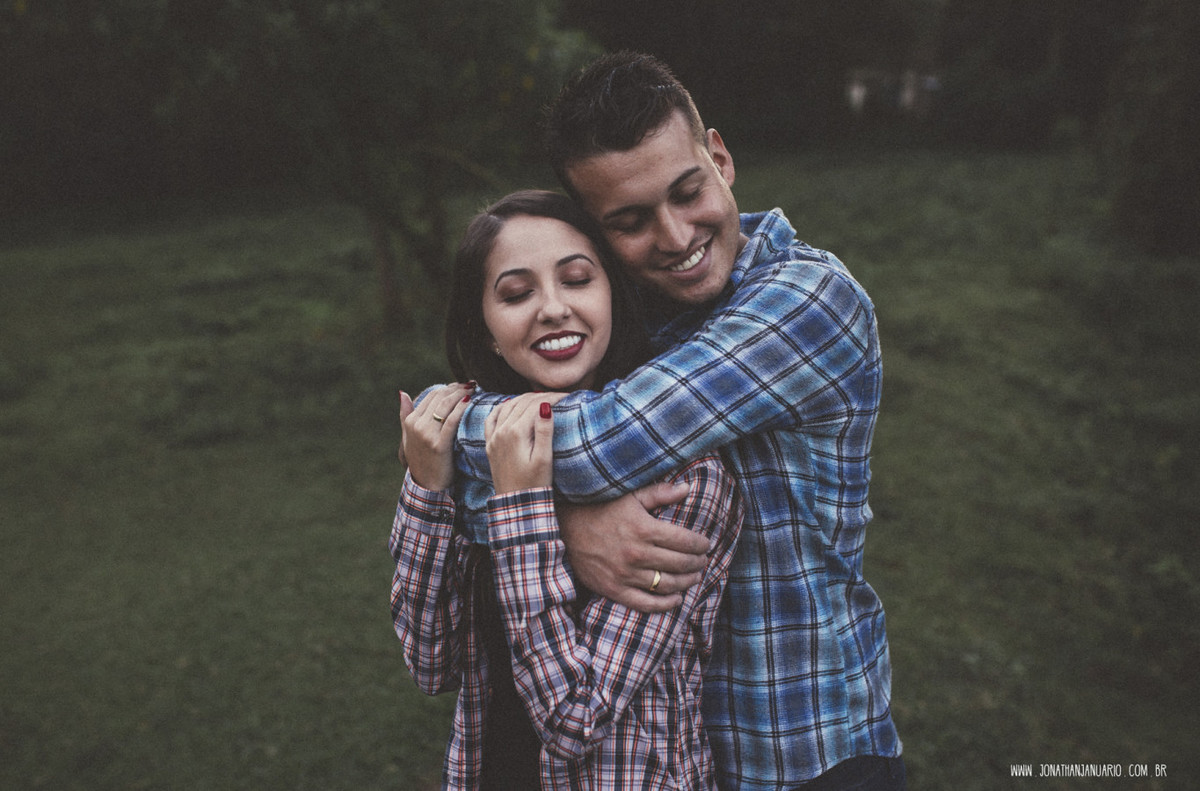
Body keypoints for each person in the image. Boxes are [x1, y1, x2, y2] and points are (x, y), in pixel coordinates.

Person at [449, 53, 905, 789]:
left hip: (801, 749)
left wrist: (455, 433)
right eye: (629, 222)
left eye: (687, 192)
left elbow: (599, 445)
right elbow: (469, 493)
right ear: (596, 235)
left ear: (719, 159)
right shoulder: (627, 323)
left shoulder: (809, 300)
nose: (673, 235)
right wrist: (560, 521)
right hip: (675, 757)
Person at [391, 190, 743, 789]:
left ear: (613, 295)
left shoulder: (684, 476)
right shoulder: (479, 452)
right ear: (487, 328)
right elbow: (429, 661)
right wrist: (428, 489)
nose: (552, 309)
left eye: (577, 279)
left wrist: (524, 509)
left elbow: (575, 719)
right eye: (516, 293)